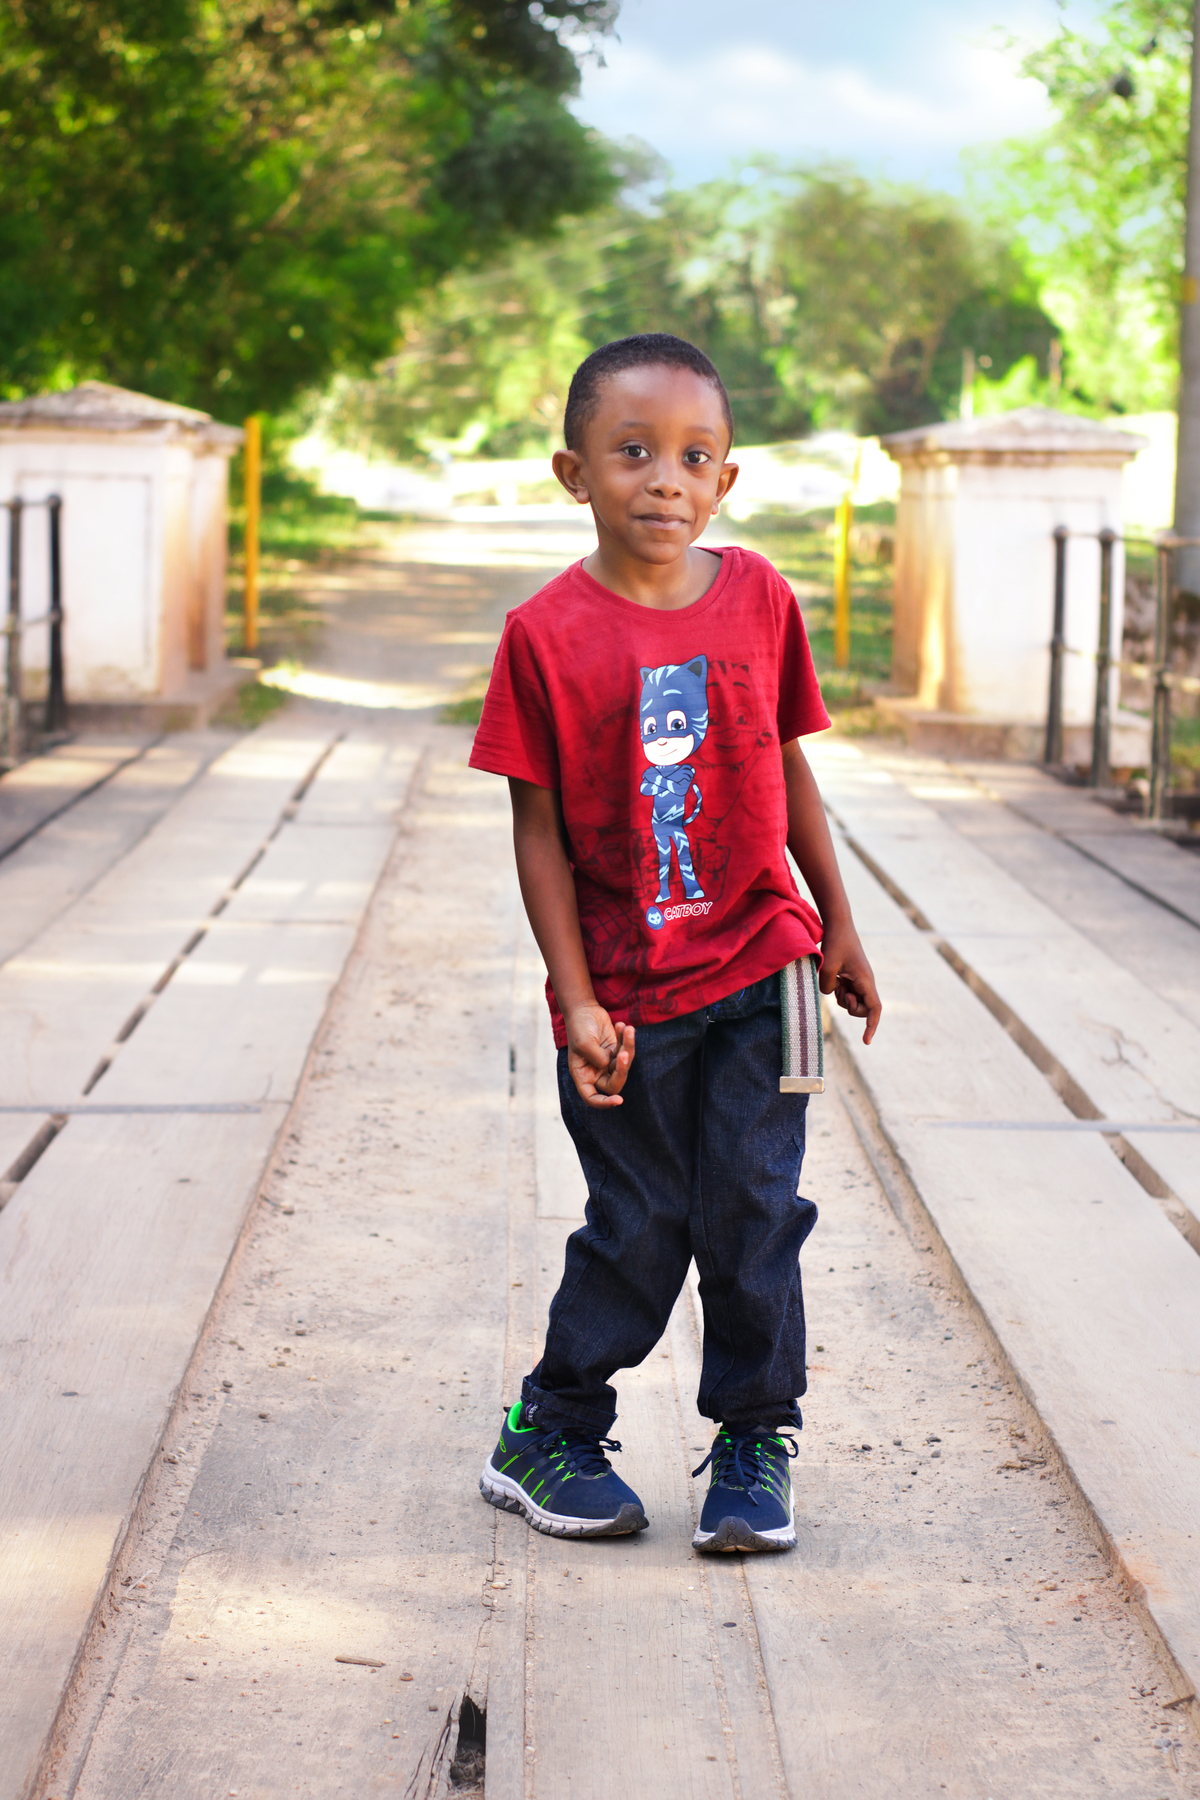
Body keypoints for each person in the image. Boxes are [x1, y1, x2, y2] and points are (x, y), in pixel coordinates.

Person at [468, 333, 881, 1553]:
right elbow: (536, 833)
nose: (664, 479)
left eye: (693, 457)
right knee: (641, 1222)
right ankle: (549, 1427)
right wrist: (576, 999)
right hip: (629, 1004)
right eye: (633, 451)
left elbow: (787, 763)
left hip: (768, 971)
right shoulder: (543, 636)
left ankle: (756, 1439)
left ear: (727, 482)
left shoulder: (760, 598)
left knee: (756, 1212)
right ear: (572, 472)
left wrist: (842, 921)